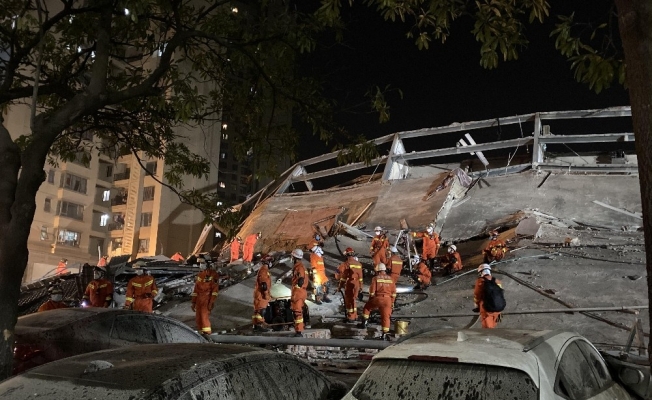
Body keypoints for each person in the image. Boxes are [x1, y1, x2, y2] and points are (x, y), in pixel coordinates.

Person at [359, 263, 396, 340]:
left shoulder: (375, 278)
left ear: (378, 271)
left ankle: (364, 323)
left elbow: (372, 292)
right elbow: (394, 293)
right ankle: (384, 334)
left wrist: (371, 300)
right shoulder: (391, 279)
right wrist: (392, 302)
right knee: (386, 317)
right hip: (388, 300)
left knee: (367, 307)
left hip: (378, 298)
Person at [191, 257, 219, 335]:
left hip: (206, 299)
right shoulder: (200, 275)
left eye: (202, 263)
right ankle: (201, 333)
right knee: (198, 318)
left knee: (204, 318)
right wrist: (193, 302)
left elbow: (214, 291)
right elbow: (196, 290)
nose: (201, 265)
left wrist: (211, 302)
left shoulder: (214, 275)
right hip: (199, 299)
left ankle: (207, 333)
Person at [337, 247, 364, 323]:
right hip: (357, 284)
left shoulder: (346, 264)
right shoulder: (359, 264)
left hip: (350, 283)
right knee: (354, 299)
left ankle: (351, 317)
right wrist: (361, 287)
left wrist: (339, 287)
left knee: (349, 300)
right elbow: (361, 277)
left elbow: (343, 277)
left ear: (346, 255)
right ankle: (355, 316)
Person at [473, 264, 504, 328]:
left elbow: (477, 294)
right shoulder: (497, 281)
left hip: (486, 309)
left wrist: (476, 304)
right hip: (497, 308)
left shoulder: (480, 281)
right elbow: (500, 293)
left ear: (481, 272)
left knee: (487, 329)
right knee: (493, 324)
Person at [290, 249, 308, 337]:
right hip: (301, 291)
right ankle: (300, 328)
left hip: (298, 292)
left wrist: (296, 288)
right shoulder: (302, 266)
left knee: (297, 312)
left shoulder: (299, 267)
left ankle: (299, 331)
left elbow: (301, 280)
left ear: (294, 257)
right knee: (298, 311)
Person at [252, 257, 272, 332]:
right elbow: (264, 285)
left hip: (259, 293)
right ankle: (260, 325)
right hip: (261, 294)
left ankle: (256, 325)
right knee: (261, 310)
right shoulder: (264, 271)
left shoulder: (263, 270)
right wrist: (266, 294)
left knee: (257, 310)